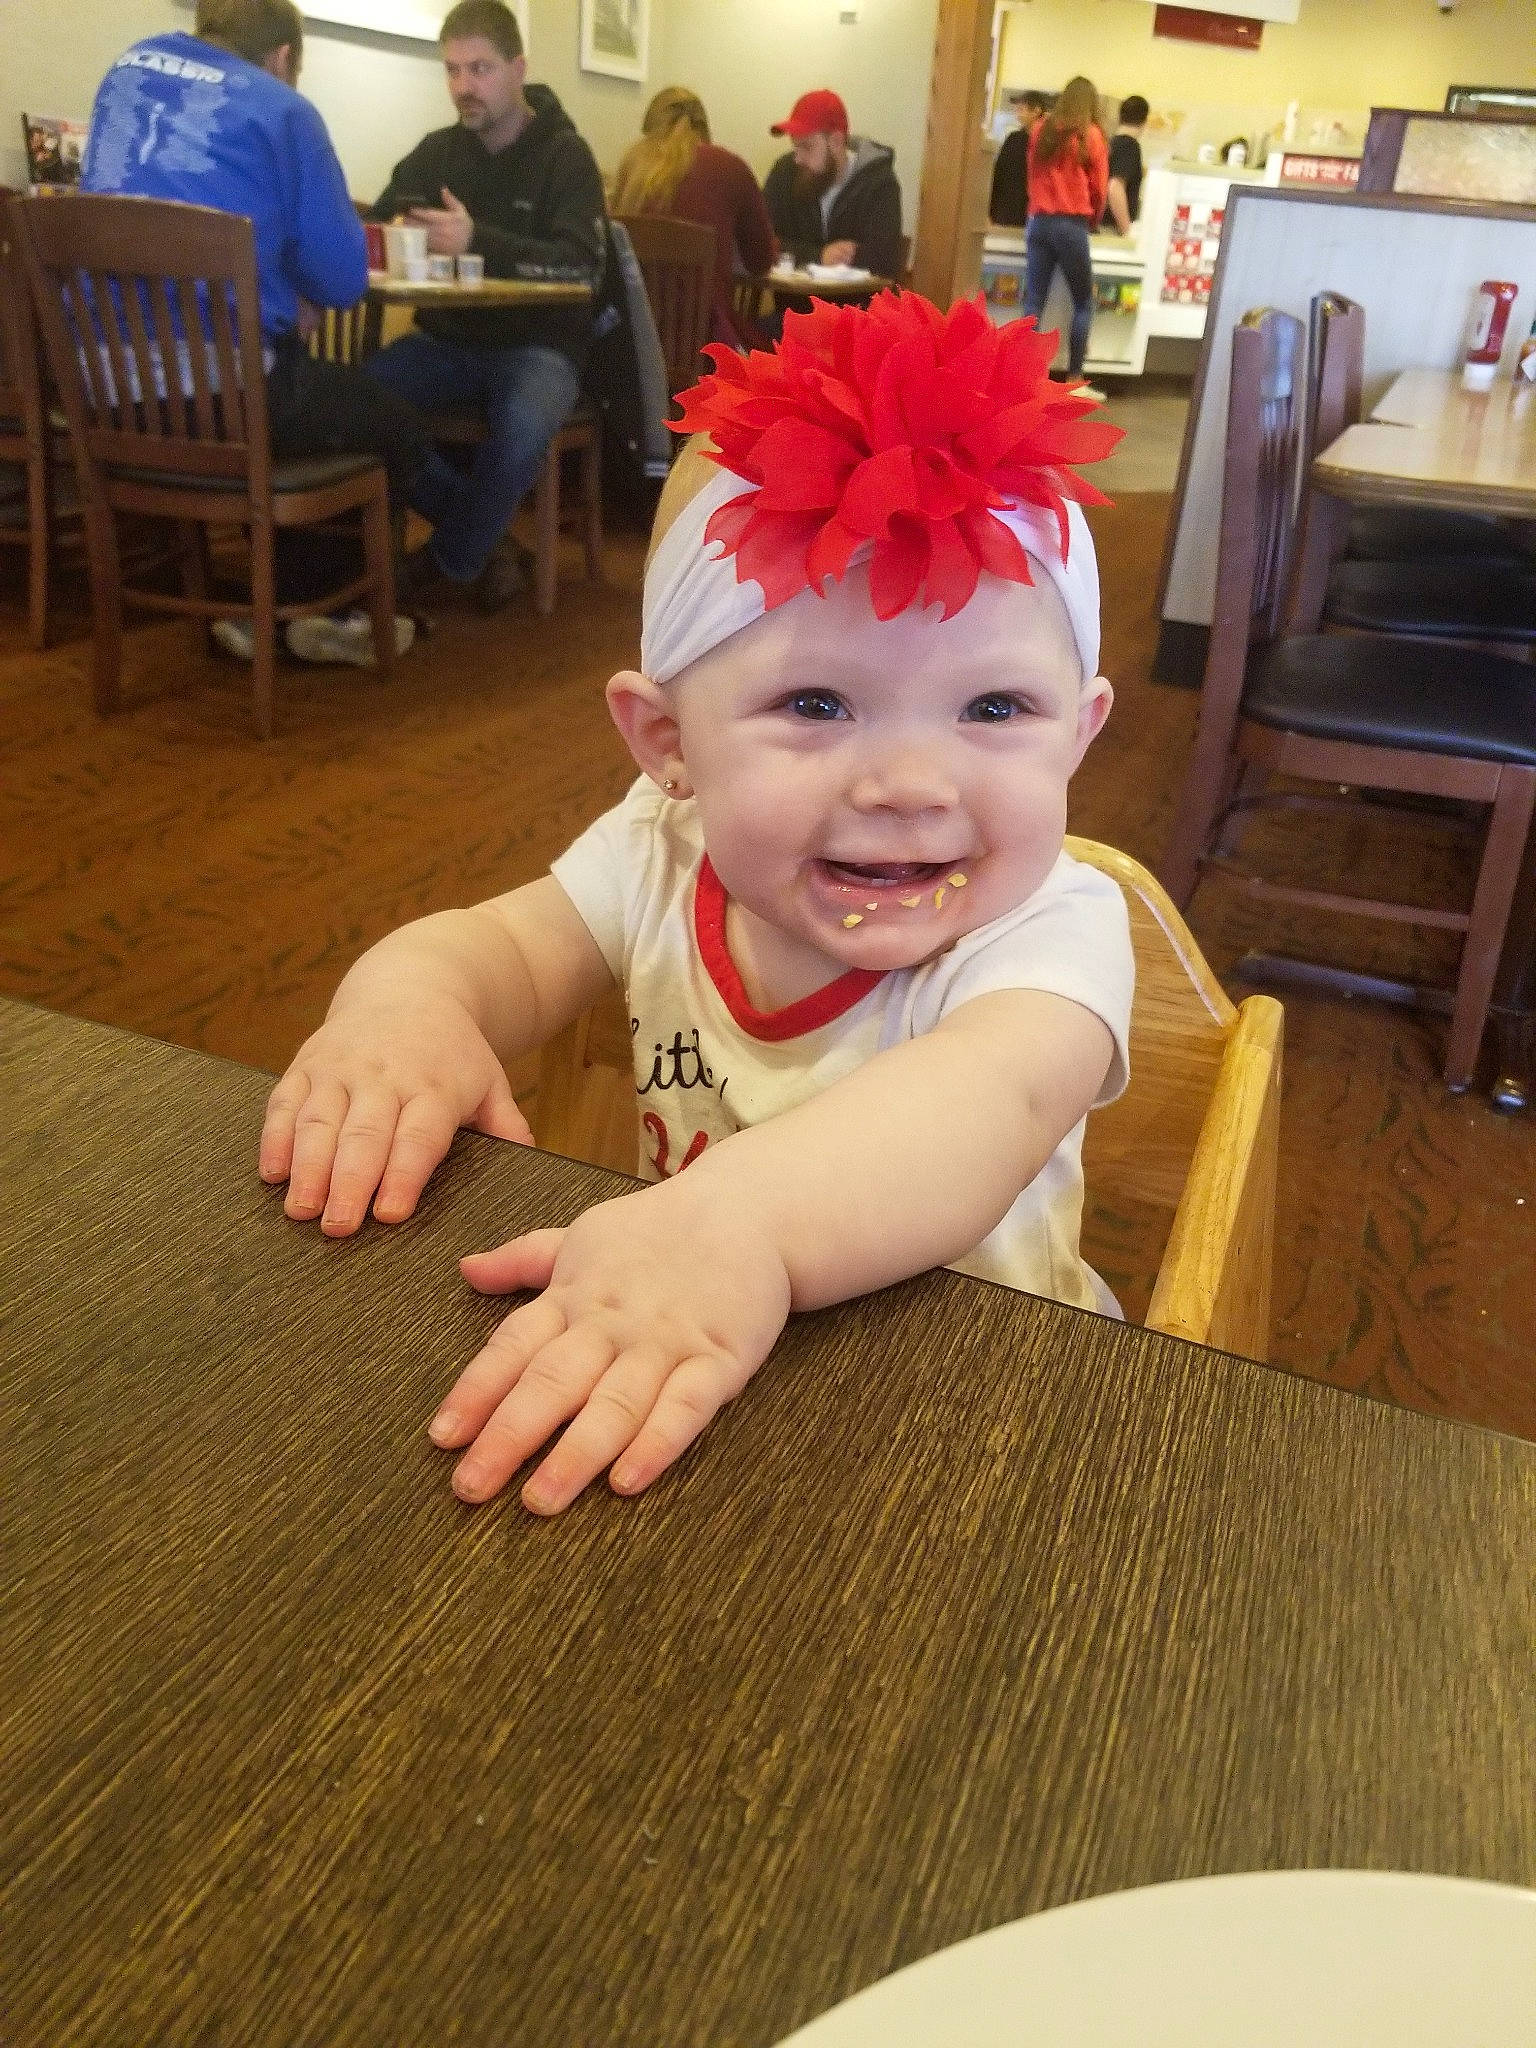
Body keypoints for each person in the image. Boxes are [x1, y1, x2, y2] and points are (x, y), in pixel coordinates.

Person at [258, 290, 1129, 1517]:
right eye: (819, 704)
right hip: (682, 1347)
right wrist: (408, 1008)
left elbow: (980, 1105)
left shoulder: (1054, 930)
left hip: (983, 1419)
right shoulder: (662, 851)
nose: (910, 787)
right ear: (668, 742)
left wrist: (747, 1229)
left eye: (995, 709)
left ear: (1079, 734)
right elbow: (501, 943)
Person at [80, 0, 456, 667]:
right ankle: (332, 616)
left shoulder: (124, 72)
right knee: (392, 426)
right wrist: (290, 294)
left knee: (307, 392)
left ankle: (265, 608)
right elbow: (342, 282)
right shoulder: (281, 109)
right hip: (224, 398)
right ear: (283, 57)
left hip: (110, 393)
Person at [365, 0, 607, 613]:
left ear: (518, 68)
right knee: (360, 400)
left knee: (522, 428)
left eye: (480, 69)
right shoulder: (439, 150)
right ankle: (487, 537)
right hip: (449, 338)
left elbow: (579, 264)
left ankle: (450, 560)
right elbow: (389, 205)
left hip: (539, 346)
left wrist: (478, 241)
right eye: (452, 71)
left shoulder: (565, 156)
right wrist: (402, 220)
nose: (463, 87)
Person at [610, 87, 778, 349]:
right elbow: (761, 261)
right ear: (705, 128)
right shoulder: (729, 167)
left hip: (632, 350)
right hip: (705, 348)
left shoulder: (630, 167)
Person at [1020, 76, 1110, 399]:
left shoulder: (1040, 130)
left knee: (1033, 301)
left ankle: (1023, 378)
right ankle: (1073, 380)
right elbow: (1099, 188)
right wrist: (1095, 220)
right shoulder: (1092, 136)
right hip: (1071, 225)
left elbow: (1031, 175)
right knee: (1083, 302)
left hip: (1039, 222)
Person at [761, 90, 903, 283]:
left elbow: (886, 262)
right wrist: (819, 256)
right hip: (794, 310)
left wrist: (847, 257)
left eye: (807, 147)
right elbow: (760, 241)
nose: (797, 158)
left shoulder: (879, 183)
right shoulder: (785, 173)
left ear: (836, 142)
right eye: (795, 146)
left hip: (854, 311)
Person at [988, 89, 1052, 229]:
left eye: (1021, 109)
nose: (1017, 113)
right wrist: (991, 210)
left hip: (1033, 211)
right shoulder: (1014, 139)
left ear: (1036, 110)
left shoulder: (1048, 142)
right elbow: (999, 173)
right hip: (1008, 209)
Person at [1105, 94, 1149, 236]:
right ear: (1144, 120)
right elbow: (1115, 187)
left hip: (1101, 223)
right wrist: (1127, 231)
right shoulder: (1129, 145)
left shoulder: (1111, 143)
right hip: (1113, 227)